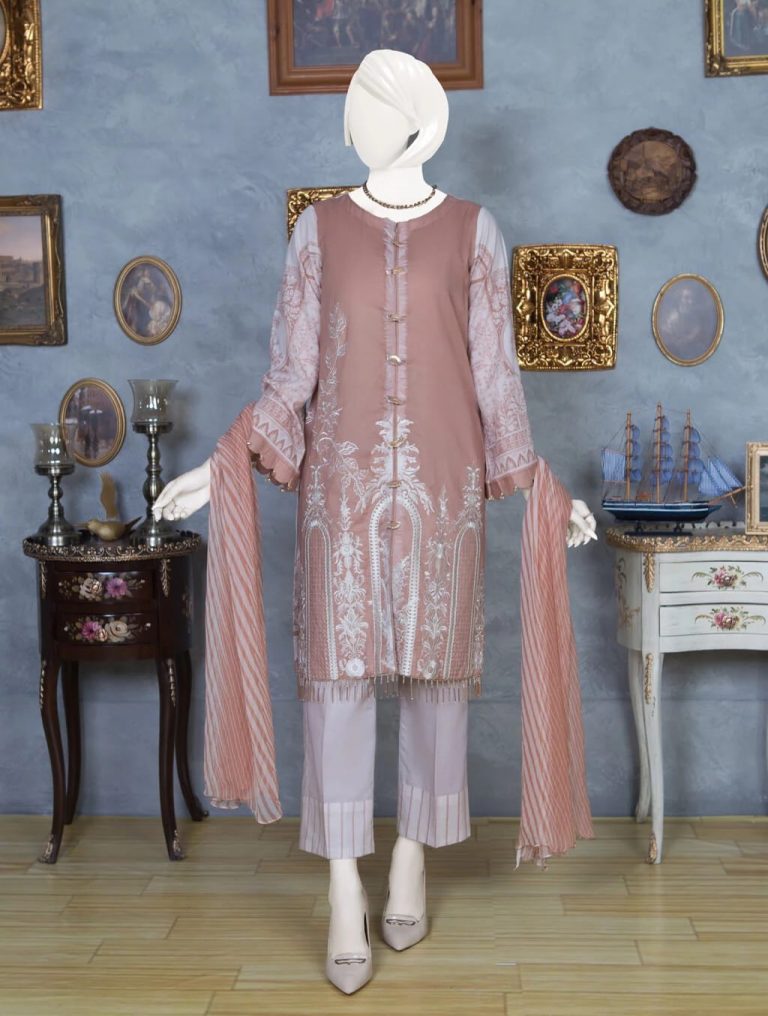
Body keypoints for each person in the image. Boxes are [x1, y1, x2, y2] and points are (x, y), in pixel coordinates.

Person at [154, 48, 596, 995]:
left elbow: (496, 374)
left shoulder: (476, 231)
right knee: (338, 683)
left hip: (444, 489)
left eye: (364, 104)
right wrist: (218, 466)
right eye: (352, 103)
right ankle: (345, 886)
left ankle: (411, 860)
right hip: (342, 492)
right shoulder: (317, 231)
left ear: (414, 120)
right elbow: (291, 372)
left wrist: (543, 489)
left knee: (437, 682)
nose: (349, 119)